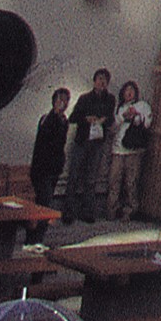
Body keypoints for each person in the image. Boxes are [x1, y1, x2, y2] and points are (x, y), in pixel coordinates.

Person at [62, 68, 116, 225]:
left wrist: (103, 120)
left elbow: (111, 119)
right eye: (99, 79)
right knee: (74, 176)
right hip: (82, 140)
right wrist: (87, 119)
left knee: (91, 178)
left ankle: (87, 211)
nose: (102, 82)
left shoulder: (110, 99)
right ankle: (68, 211)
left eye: (105, 80)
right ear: (94, 81)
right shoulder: (85, 98)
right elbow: (73, 117)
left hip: (98, 142)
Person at [28, 88, 69, 240]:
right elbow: (45, 138)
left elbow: (60, 142)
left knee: (46, 202)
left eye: (65, 100)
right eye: (59, 99)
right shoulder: (46, 118)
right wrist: (54, 114)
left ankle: (39, 236)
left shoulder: (64, 121)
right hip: (41, 169)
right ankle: (34, 237)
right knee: (43, 203)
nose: (62, 103)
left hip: (54, 168)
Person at [109, 80, 152, 221]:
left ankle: (130, 210)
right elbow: (112, 128)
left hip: (134, 151)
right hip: (118, 150)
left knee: (131, 182)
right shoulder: (119, 108)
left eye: (131, 90)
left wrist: (136, 115)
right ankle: (112, 210)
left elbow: (147, 124)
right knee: (114, 181)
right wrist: (123, 117)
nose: (129, 93)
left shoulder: (142, 105)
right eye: (126, 90)